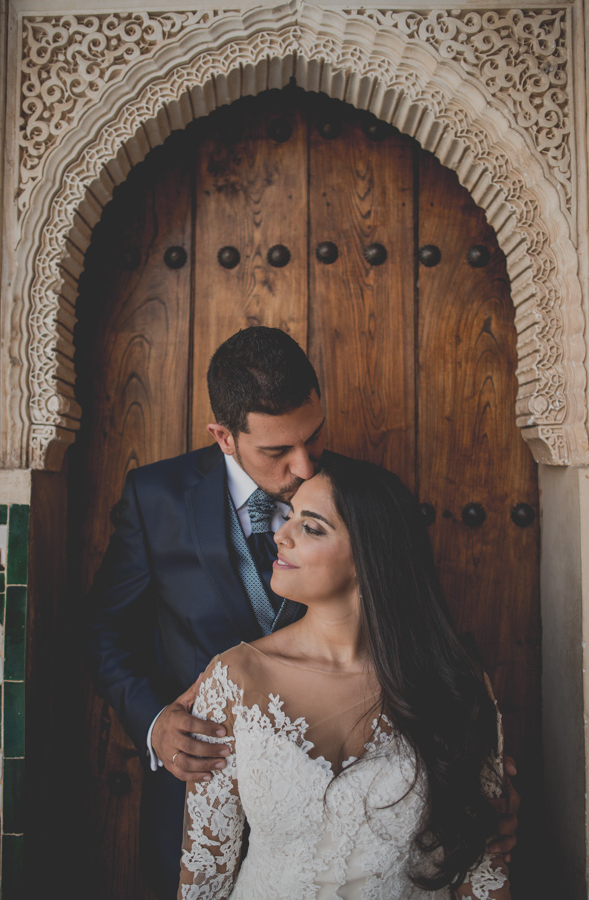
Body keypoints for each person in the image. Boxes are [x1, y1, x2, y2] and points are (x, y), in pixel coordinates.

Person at [84, 327, 517, 899]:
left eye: (314, 438)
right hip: (197, 791)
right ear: (225, 436)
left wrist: (475, 793)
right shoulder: (155, 496)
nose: (306, 464)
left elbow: (414, 628)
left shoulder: (355, 498)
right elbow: (104, 630)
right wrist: (154, 722)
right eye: (277, 451)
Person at [177, 453, 511, 899]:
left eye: (310, 527)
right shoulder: (234, 680)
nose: (280, 535)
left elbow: (482, 873)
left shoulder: (453, 682)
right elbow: (205, 877)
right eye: (289, 516)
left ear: (368, 555)